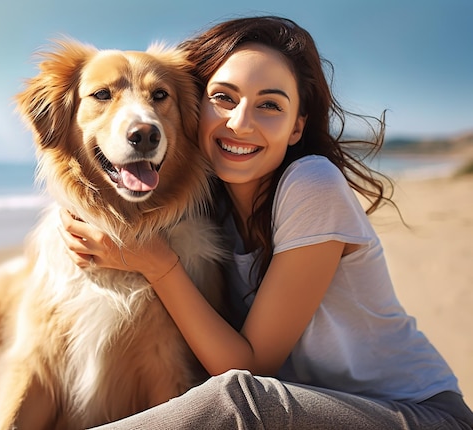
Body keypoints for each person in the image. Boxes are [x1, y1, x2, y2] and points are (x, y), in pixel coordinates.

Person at [59, 16, 473, 429]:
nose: (240, 122)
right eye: (224, 98)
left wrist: (156, 263)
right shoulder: (206, 206)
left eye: (270, 105)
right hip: (314, 410)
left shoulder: (312, 183)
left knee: (237, 399)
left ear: (297, 127)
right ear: (195, 108)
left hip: (417, 415)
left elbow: (251, 366)